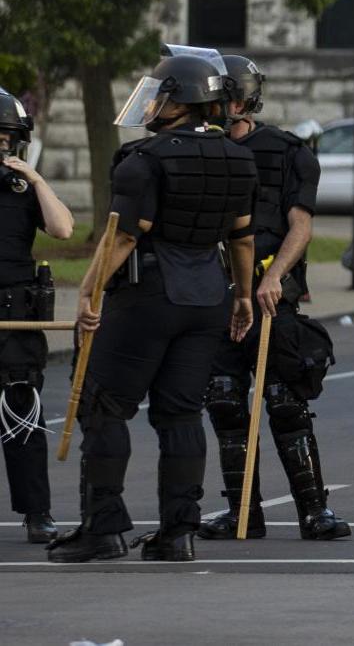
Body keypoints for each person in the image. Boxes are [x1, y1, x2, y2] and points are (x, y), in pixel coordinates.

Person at [49, 55, 256, 563]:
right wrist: (244, 297)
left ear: (177, 100)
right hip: (209, 294)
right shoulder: (238, 157)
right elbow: (243, 238)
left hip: (149, 295)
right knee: (182, 413)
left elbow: (123, 235)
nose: (151, 103)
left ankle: (104, 528)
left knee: (104, 406)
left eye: (158, 94)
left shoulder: (144, 158)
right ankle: (178, 531)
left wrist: (89, 291)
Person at [193, 54, 347, 541]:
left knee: (284, 402)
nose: (212, 111)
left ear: (239, 101)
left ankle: (314, 511)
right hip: (215, 299)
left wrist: (273, 276)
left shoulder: (288, 151)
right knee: (224, 402)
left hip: (269, 298)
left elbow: (300, 225)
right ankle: (243, 513)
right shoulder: (192, 152)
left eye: (219, 102)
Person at [1, 86, 72, 543]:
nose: (2, 146)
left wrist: (39, 180)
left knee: (22, 413)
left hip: (15, 312)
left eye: (7, 137)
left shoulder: (24, 185)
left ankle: (36, 514)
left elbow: (64, 229)